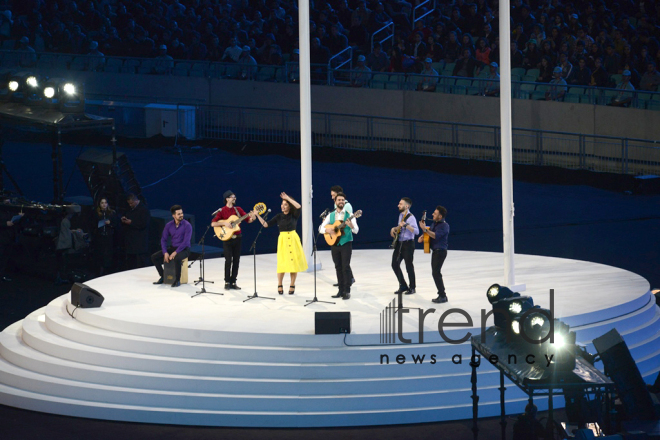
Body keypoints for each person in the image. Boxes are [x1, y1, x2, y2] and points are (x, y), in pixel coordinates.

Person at [255, 192, 308, 295]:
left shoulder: (294, 215)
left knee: (294, 263)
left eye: (285, 204)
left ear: (289, 206)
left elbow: (298, 207)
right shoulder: (278, 216)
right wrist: (257, 215)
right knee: (282, 263)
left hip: (293, 239)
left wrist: (287, 197)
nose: (283, 206)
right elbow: (266, 225)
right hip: (283, 240)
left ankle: (292, 284)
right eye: (282, 204)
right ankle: (280, 284)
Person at [211, 190, 256, 290]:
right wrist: (224, 223)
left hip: (238, 238)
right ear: (227, 199)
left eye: (235, 196)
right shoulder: (222, 211)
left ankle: (233, 281)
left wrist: (253, 216)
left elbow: (248, 220)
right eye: (232, 196)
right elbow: (213, 224)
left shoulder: (238, 210)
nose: (234, 198)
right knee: (228, 260)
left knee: (236, 260)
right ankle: (227, 281)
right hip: (227, 239)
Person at [319, 192, 358, 300]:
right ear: (335, 202)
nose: (341, 202)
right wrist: (327, 229)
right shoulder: (330, 215)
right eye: (339, 200)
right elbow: (320, 228)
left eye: (342, 200)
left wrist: (352, 226)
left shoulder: (350, 214)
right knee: (338, 267)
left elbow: (356, 230)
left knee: (345, 267)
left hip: (346, 243)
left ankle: (347, 291)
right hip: (335, 243)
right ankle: (340, 291)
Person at [151, 205, 192, 288]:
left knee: (177, 258)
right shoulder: (169, 225)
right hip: (173, 247)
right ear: (173, 215)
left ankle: (177, 280)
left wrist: (175, 252)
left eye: (182, 213)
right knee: (154, 257)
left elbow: (186, 242)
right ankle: (163, 276)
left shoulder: (187, 225)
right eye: (178, 214)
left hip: (184, 249)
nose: (181, 215)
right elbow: (163, 239)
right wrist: (165, 252)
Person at [418, 206, 449, 303]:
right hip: (436, 251)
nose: (432, 214)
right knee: (435, 273)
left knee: (436, 273)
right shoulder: (434, 224)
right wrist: (423, 236)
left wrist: (425, 230)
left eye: (435, 214)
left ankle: (443, 295)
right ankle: (441, 294)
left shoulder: (444, 226)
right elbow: (428, 234)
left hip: (440, 251)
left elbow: (435, 235)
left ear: (440, 216)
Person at [391, 197, 419, 295]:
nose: (398, 205)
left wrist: (407, 225)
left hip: (408, 244)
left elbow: (416, 231)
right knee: (394, 264)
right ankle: (403, 285)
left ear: (406, 206)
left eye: (400, 204)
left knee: (409, 266)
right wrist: (394, 228)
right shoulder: (400, 215)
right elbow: (400, 227)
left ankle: (412, 287)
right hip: (400, 243)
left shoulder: (411, 217)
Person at [330, 185, 354, 286]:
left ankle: (348, 281)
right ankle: (344, 281)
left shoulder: (346, 206)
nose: (332, 197)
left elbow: (348, 219)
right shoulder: (336, 206)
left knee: (345, 264)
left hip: (345, 237)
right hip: (337, 238)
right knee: (340, 264)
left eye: (333, 195)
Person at [121, 193, 151, 270]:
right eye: (129, 203)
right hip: (131, 240)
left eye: (131, 203)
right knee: (132, 261)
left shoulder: (144, 210)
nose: (130, 205)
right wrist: (124, 219)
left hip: (140, 241)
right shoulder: (130, 209)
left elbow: (143, 224)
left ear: (136, 201)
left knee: (142, 261)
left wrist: (131, 222)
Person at [92, 198, 118, 276]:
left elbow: (116, 224)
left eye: (105, 203)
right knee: (100, 254)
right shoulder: (96, 213)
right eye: (102, 203)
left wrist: (110, 223)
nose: (104, 204)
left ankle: (107, 271)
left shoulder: (111, 213)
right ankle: (99, 271)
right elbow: (92, 224)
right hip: (99, 237)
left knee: (108, 254)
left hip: (108, 236)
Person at [0, 198, 22, 282]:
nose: (8, 201)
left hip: (9, 237)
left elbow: (14, 219)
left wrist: (19, 216)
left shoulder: (10, 210)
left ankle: (1, 275)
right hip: (2, 237)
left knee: (5, 258)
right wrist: (5, 224)